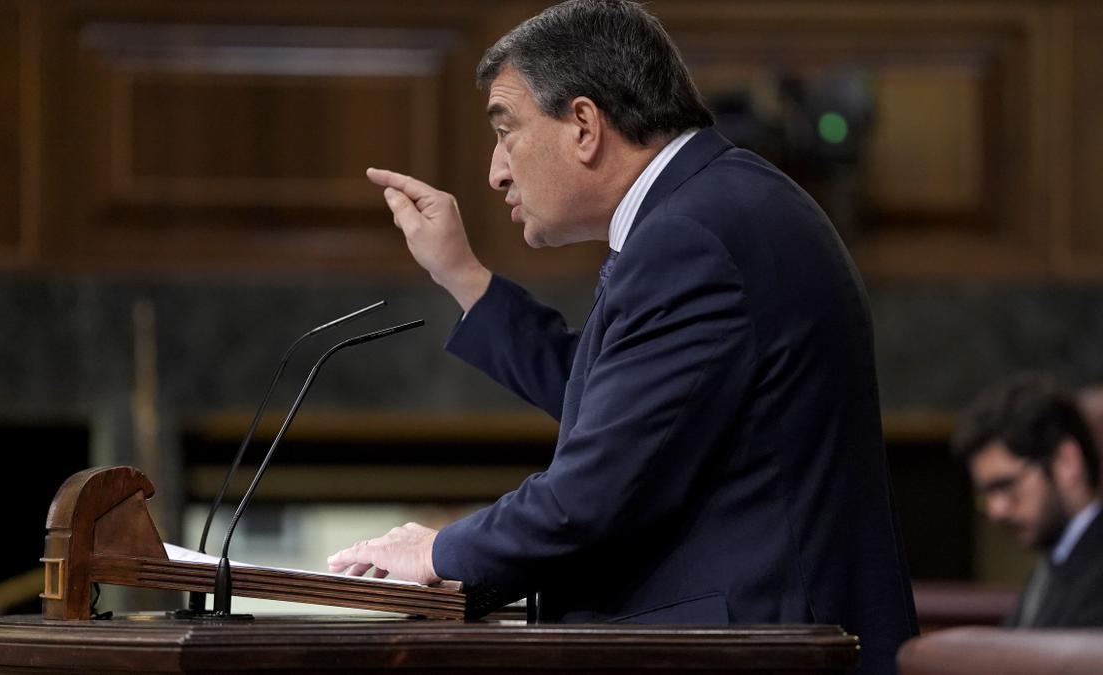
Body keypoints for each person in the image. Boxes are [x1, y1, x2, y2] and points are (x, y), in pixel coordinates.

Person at [327, 2, 916, 672]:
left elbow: (590, 494)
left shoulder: (692, 236)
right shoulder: (717, 206)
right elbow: (626, 399)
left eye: (506, 130)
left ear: (583, 125)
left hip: (764, 647)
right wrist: (464, 276)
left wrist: (437, 551)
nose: (495, 170)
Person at [952, 374, 1103, 627]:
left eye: (1006, 485)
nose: (996, 510)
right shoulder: (1054, 566)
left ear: (1066, 462)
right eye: (986, 494)